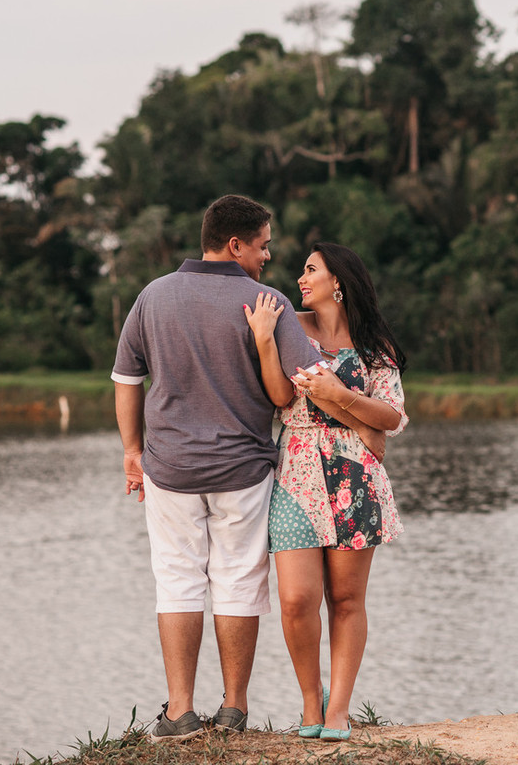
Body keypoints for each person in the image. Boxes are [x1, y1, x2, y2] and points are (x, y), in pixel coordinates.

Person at [111, 196, 385, 742]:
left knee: (178, 581)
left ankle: (180, 712)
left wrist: (132, 451)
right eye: (261, 246)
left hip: (171, 470)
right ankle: (234, 708)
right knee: (238, 581)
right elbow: (308, 383)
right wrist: (370, 427)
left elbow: (126, 379)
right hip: (245, 469)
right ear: (235, 244)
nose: (266, 257)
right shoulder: (267, 301)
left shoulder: (153, 296)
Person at [244, 241, 407, 741]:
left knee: (347, 599)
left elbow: (392, 416)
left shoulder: (376, 345)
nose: (300, 277)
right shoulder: (291, 325)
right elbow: (278, 397)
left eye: (311, 270)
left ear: (339, 281)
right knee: (295, 600)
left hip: (355, 478)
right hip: (295, 471)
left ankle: (337, 711)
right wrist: (267, 341)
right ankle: (309, 704)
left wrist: (341, 395)